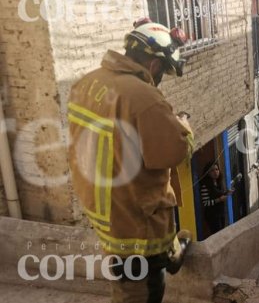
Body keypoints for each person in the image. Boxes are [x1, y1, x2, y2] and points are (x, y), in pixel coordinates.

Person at [67, 18, 193, 303]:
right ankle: (169, 255)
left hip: (105, 211)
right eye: (163, 71)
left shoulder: (87, 83)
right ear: (154, 65)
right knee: (141, 291)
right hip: (136, 224)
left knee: (123, 279)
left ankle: (171, 253)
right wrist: (182, 126)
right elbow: (174, 151)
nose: (160, 79)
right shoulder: (144, 97)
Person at [200, 161, 232, 235]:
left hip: (220, 213)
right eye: (212, 170)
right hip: (212, 215)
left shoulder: (218, 183)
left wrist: (227, 192)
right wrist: (219, 200)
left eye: (217, 169)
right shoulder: (205, 186)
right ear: (208, 173)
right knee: (217, 235)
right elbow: (205, 203)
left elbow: (219, 194)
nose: (215, 172)